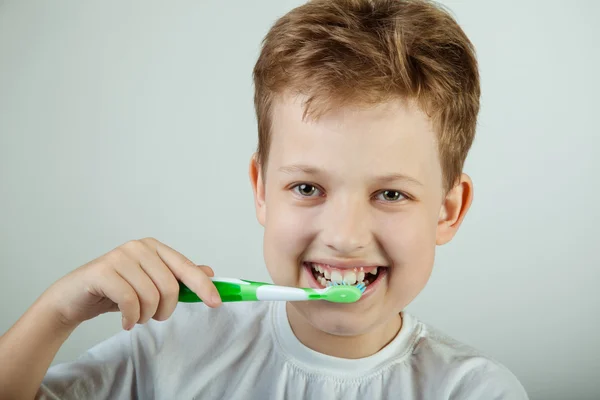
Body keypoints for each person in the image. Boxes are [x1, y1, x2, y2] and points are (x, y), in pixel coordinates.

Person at [0, 0, 529, 398]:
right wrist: (57, 311)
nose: (344, 235)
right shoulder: (167, 351)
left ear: (448, 209)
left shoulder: (476, 391)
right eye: (307, 188)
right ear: (261, 190)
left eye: (390, 193)